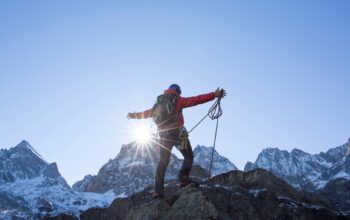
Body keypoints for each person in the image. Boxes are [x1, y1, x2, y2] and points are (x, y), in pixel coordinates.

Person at [127, 84, 226, 198]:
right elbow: (195, 100)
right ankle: (183, 179)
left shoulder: (159, 103)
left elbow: (147, 113)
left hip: (163, 136)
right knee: (188, 156)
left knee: (163, 161)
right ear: (178, 92)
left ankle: (158, 191)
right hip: (178, 133)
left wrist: (134, 115)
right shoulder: (177, 99)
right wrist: (214, 95)